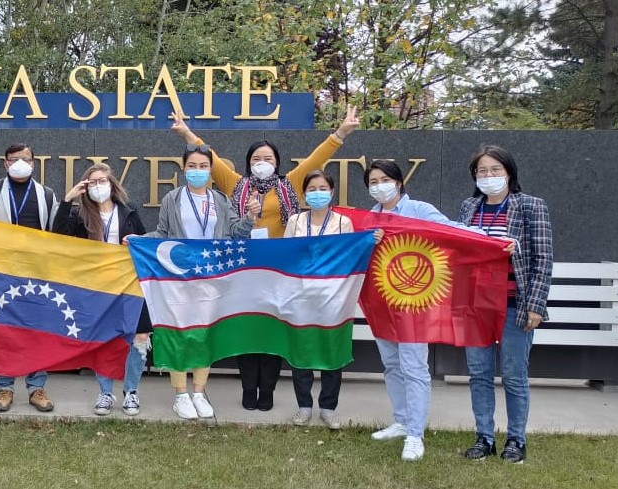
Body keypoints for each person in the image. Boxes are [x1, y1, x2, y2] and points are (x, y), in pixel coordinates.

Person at [169, 109, 361, 412]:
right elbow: (211, 157)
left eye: (268, 159)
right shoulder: (235, 185)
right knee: (246, 327)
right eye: (257, 159)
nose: (262, 164)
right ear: (248, 163)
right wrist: (186, 133)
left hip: (278, 271)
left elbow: (316, 160)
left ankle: (267, 389)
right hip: (242, 269)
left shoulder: (292, 184)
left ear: (277, 163)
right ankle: (248, 387)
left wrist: (342, 132)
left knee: (272, 328)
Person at [363, 160, 507, 462]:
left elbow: (454, 231)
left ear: (399, 182)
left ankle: (415, 434)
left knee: (414, 367)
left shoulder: (419, 210)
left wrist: (491, 240)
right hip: (382, 303)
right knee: (391, 364)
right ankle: (401, 420)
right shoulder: (368, 218)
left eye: (385, 179)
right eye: (373, 182)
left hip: (414, 302)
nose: (379, 186)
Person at [136, 145, 258, 420]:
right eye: (192, 165)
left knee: (205, 334)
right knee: (180, 333)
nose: (198, 171)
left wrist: (250, 217)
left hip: (212, 278)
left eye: (203, 166)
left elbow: (236, 235)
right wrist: (139, 239)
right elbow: (163, 233)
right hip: (178, 277)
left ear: (211, 170)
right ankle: (180, 394)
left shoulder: (221, 200)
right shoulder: (172, 198)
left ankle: (199, 392)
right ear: (183, 169)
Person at [458, 146, 552, 464]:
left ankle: (516, 440)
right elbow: (460, 253)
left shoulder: (530, 206)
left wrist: (536, 305)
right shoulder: (470, 206)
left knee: (513, 375)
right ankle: (484, 437)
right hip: (476, 307)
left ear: (509, 172)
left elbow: (544, 260)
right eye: (482, 171)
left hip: (515, 305)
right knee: (479, 374)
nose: (489, 176)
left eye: (495, 170)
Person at [283, 170, 381, 430]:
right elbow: (284, 258)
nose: (317, 193)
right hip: (301, 296)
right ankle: (304, 407)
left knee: (332, 352)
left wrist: (370, 242)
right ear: (304, 195)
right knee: (301, 352)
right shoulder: (295, 221)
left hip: (334, 298)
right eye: (312, 189)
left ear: (332, 192)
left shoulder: (342, 223)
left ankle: (328, 408)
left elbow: (351, 255)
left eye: (322, 188)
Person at [53, 163, 153, 416]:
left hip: (130, 285)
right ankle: (105, 393)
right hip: (98, 288)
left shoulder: (129, 212)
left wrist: (136, 242)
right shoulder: (80, 216)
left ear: (112, 184)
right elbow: (57, 237)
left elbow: (144, 245)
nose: (99, 186)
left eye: (103, 181)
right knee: (105, 339)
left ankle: (131, 392)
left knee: (140, 337)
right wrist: (68, 200)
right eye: (93, 182)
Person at [0, 143, 61, 412]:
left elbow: (55, 235)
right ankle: (4, 388)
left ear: (34, 163)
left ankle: (36, 388)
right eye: (15, 159)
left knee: (38, 333)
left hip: (38, 274)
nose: (20, 163)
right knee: (5, 333)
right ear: (5, 163)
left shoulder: (47, 195)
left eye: (26, 159)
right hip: (1, 275)